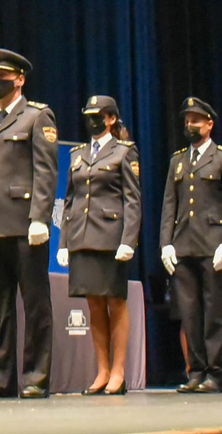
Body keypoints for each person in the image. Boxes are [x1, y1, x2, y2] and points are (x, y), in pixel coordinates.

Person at [0, 49, 58, 399]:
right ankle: (2, 378)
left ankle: (36, 377)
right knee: (0, 309)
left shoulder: (37, 117)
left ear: (19, 79)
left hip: (24, 226)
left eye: (3, 74)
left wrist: (40, 217)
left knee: (35, 306)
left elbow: (46, 173)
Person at [55, 95, 141, 395]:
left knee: (115, 302)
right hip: (81, 236)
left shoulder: (123, 152)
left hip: (110, 237)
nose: (92, 119)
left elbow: (132, 199)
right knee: (93, 304)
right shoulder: (78, 154)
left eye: (98, 115)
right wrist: (63, 241)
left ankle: (118, 371)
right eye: (88, 114)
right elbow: (68, 201)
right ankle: (102, 370)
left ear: (111, 119)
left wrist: (129, 239)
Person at [160, 96, 222, 394]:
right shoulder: (177, 160)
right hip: (183, 247)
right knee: (190, 312)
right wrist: (165, 244)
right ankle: (195, 371)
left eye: (196, 120)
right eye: (187, 120)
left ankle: (216, 373)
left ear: (209, 124)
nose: (190, 125)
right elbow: (170, 205)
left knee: (215, 312)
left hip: (212, 246)